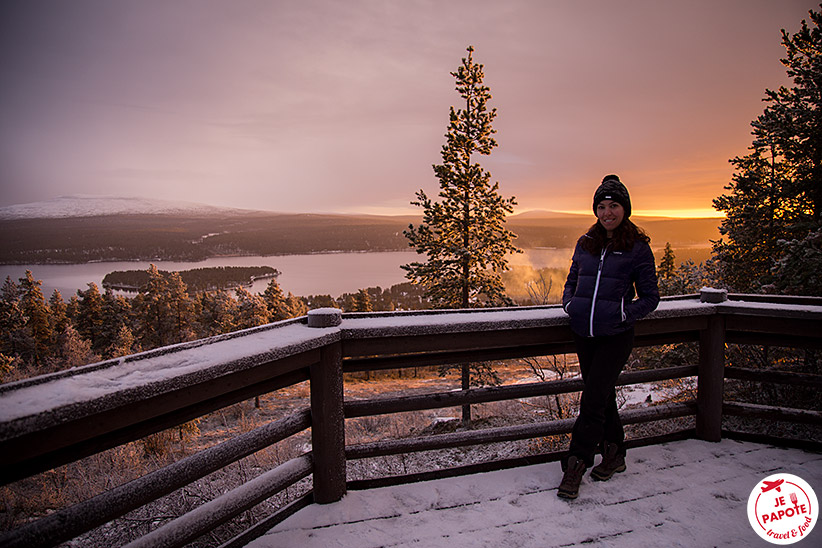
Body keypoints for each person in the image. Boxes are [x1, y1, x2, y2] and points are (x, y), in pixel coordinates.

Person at [557, 174, 660, 499]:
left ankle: (576, 464)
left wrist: (622, 314)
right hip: (583, 333)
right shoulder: (585, 243)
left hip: (615, 335)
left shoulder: (638, 249)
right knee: (602, 395)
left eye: (613, 205)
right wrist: (570, 304)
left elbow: (650, 297)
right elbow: (571, 280)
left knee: (592, 400)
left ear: (624, 209)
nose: (607, 213)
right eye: (601, 207)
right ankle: (615, 454)